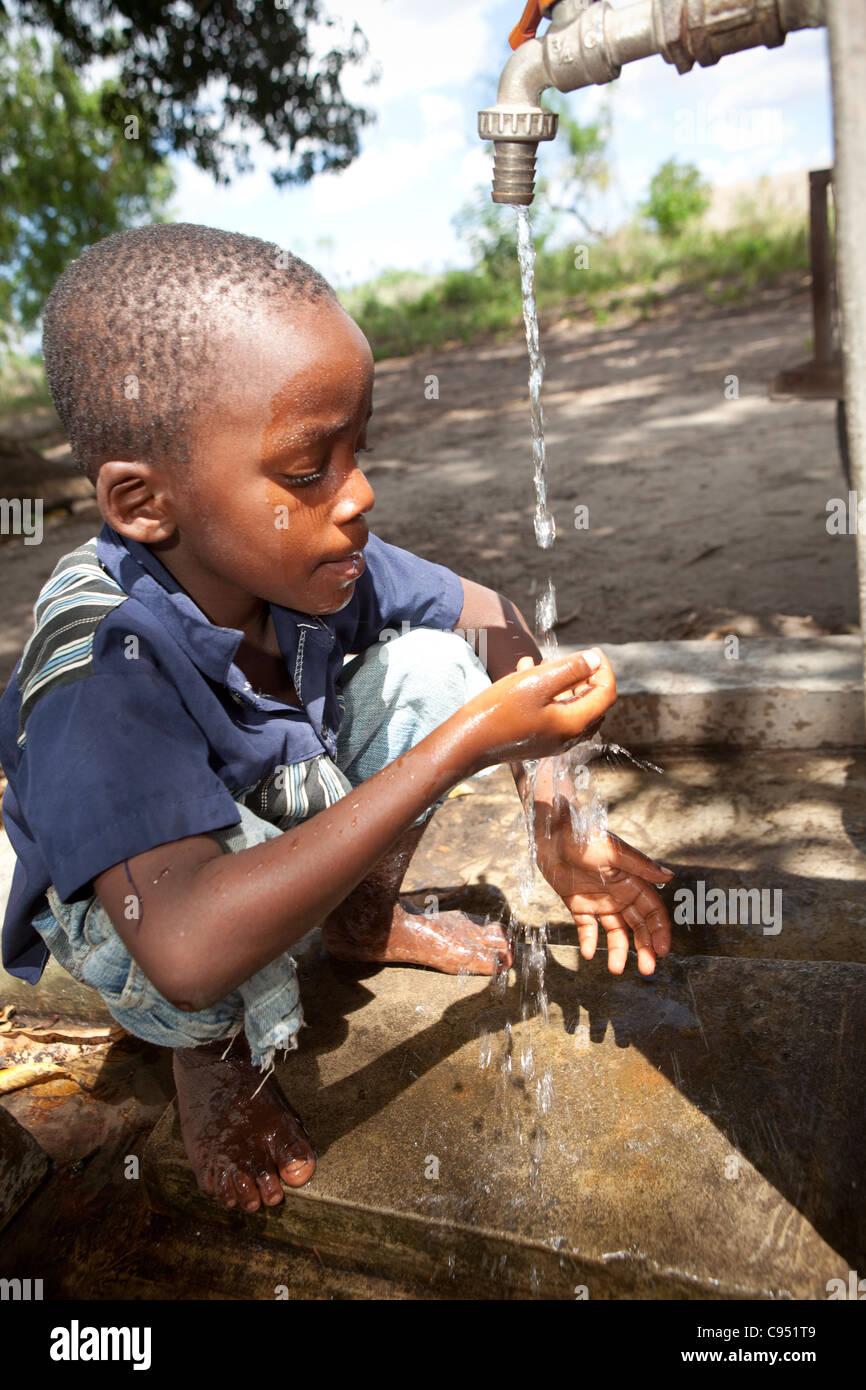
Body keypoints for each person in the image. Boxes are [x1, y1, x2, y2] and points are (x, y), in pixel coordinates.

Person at [0, 224, 673, 1215]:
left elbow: (488, 618)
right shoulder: (104, 661)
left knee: (433, 664)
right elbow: (183, 940)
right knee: (184, 924)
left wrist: (558, 802)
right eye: (308, 468)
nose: (358, 495)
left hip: (263, 820)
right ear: (145, 502)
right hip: (154, 903)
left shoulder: (301, 559)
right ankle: (213, 1059)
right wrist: (462, 747)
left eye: (358, 450)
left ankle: (359, 920)